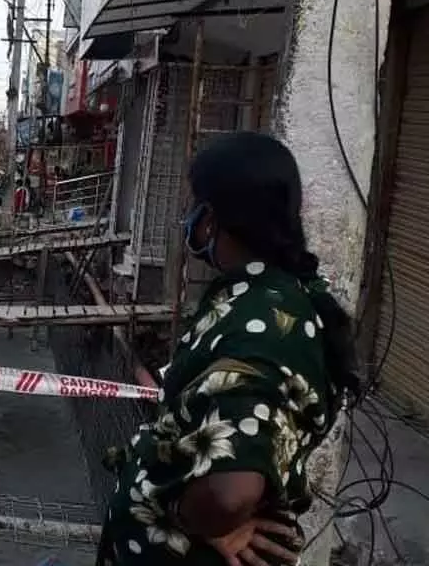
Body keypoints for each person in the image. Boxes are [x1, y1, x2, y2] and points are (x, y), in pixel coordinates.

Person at [98, 132, 358, 566]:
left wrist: (186, 515)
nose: (187, 218)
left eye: (192, 204)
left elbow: (228, 495)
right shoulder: (255, 296)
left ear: (212, 218)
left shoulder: (266, 326)